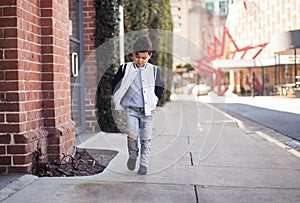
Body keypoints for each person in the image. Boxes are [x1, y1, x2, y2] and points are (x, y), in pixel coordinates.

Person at [111, 36, 165, 175]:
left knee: (146, 139)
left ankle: (144, 164)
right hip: (131, 110)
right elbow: (114, 83)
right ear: (133, 53)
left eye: (144, 58)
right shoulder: (125, 68)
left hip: (148, 112)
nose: (140, 60)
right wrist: (117, 95)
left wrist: (154, 100)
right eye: (137, 56)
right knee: (132, 135)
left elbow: (160, 87)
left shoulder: (154, 70)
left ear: (149, 56)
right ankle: (133, 155)